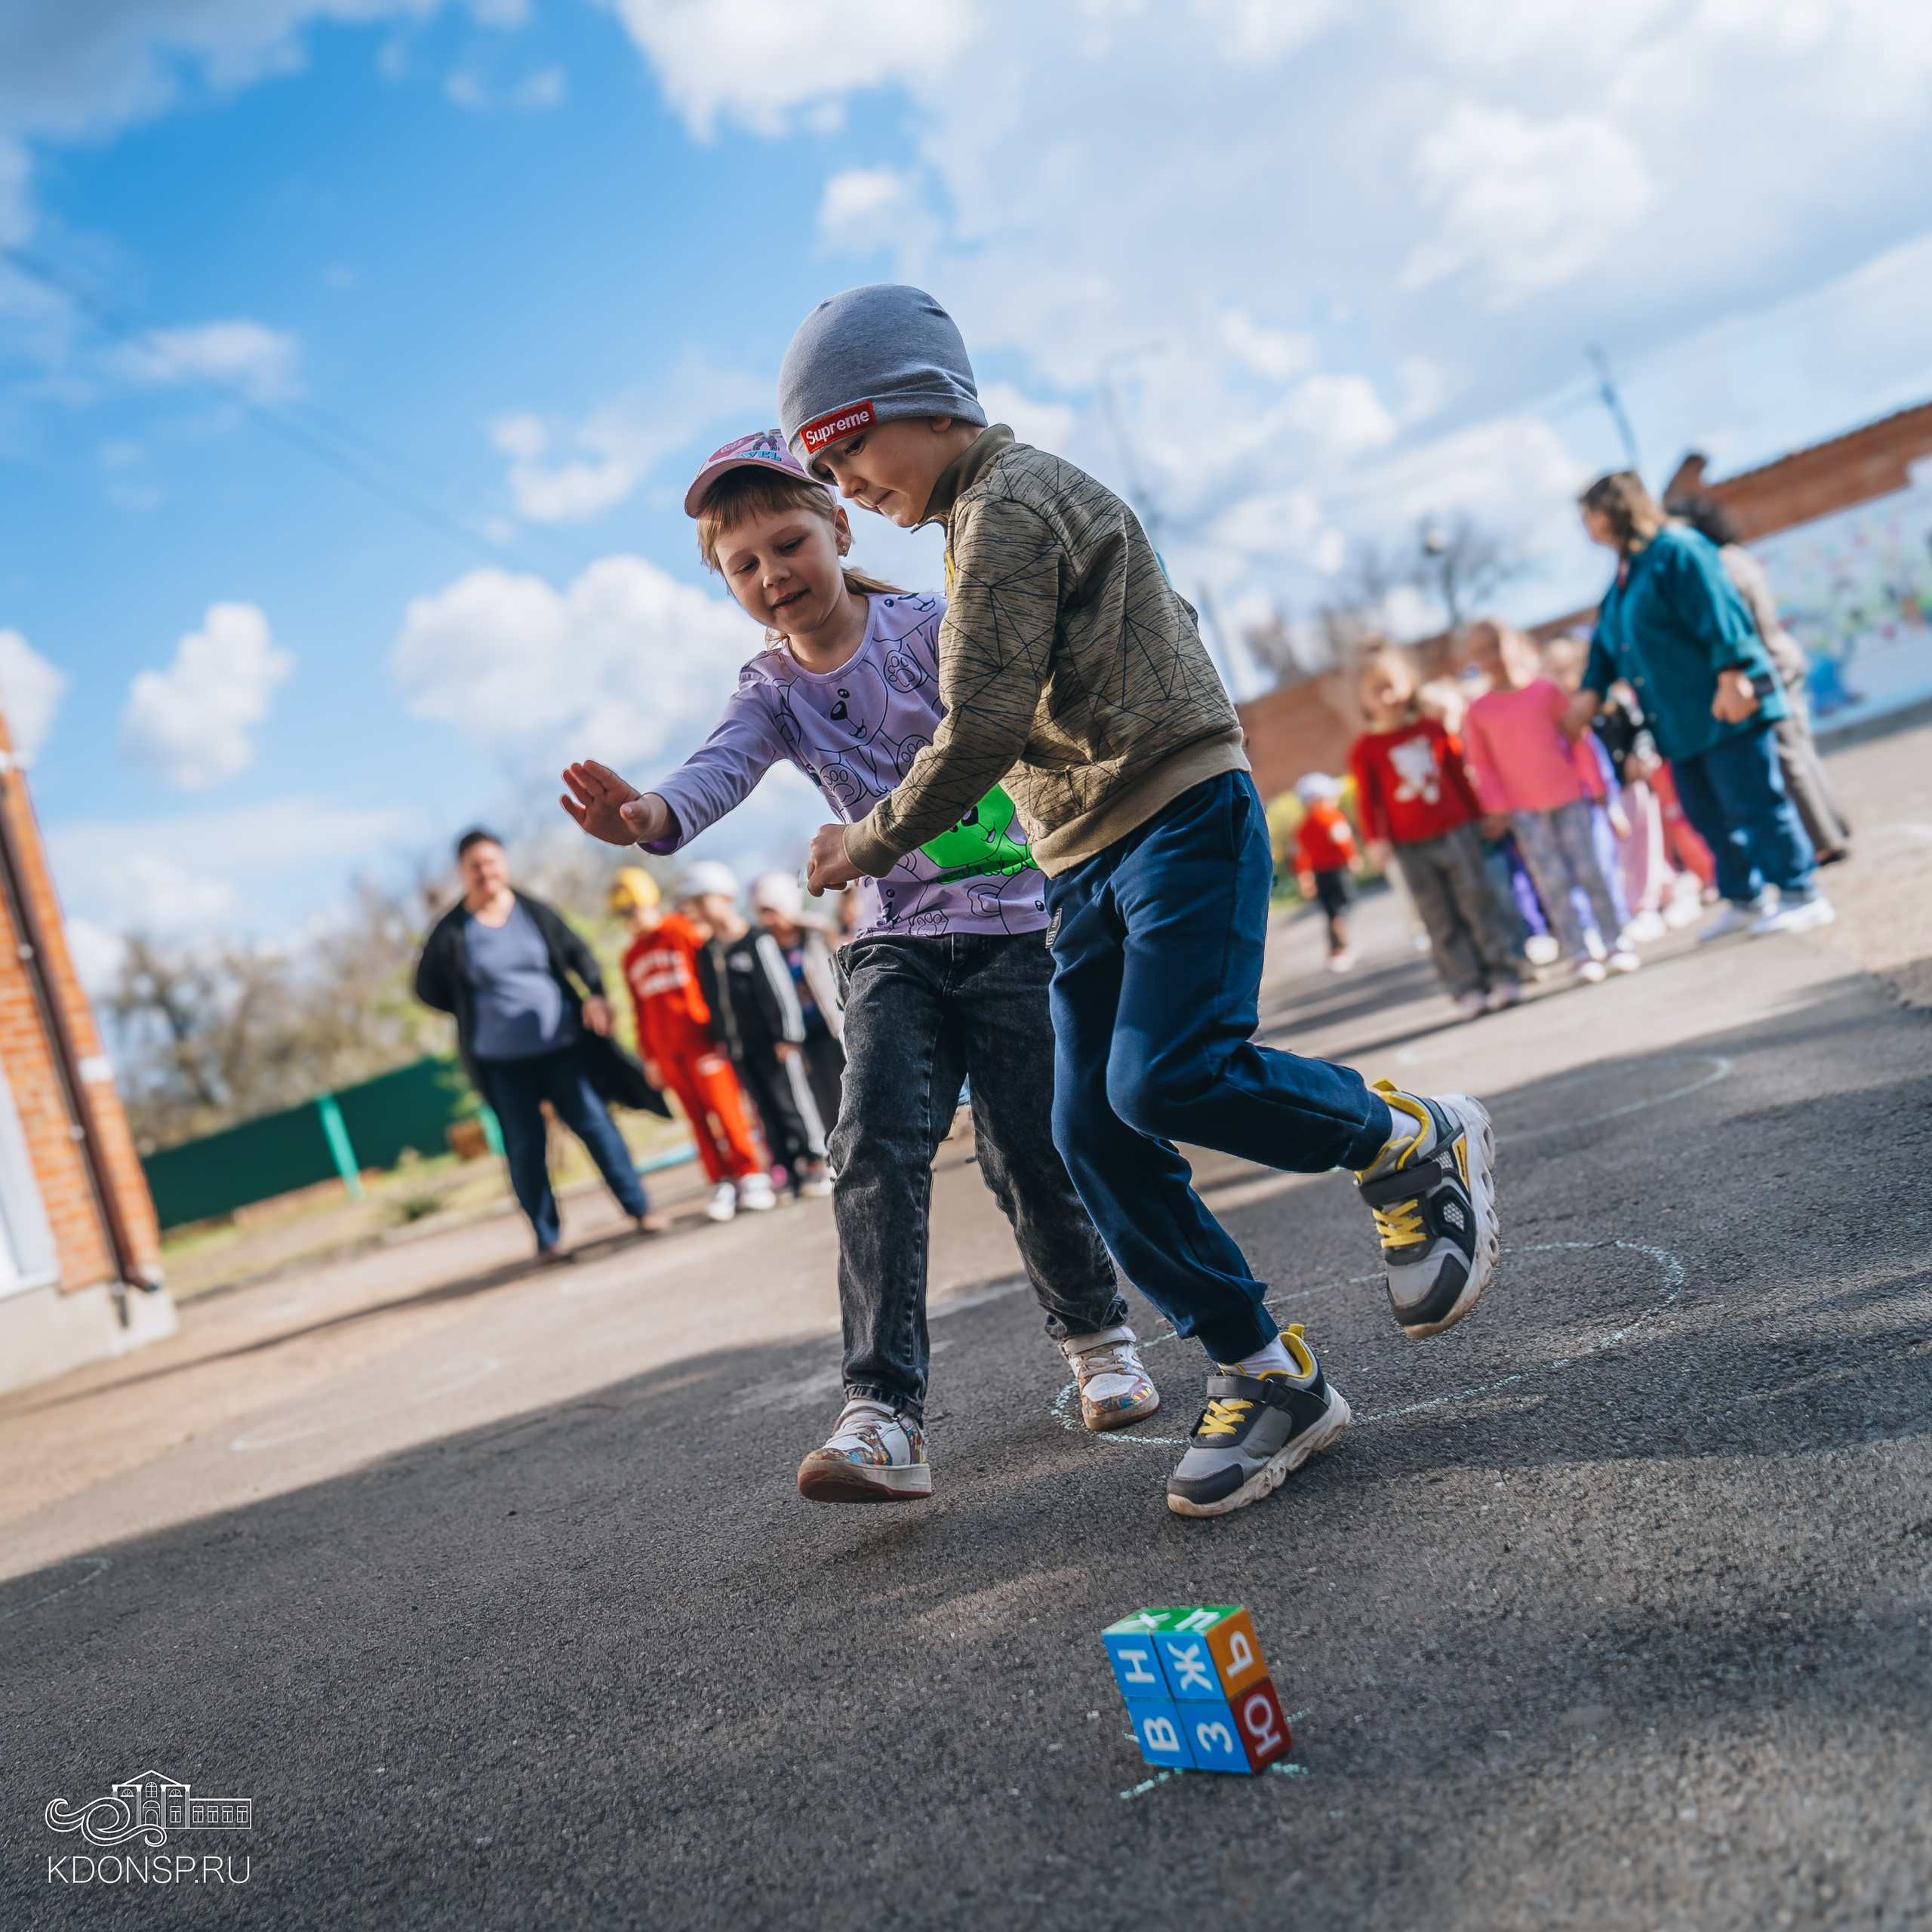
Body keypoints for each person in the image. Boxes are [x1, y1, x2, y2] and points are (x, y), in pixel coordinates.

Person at [774, 283, 1501, 1518]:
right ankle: (1264, 1374)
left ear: (930, 407)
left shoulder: (1007, 507)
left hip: (1175, 819)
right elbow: (1134, 635)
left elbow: (981, 726)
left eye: (847, 449)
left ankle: (1406, 1138)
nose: (842, 483)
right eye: (821, 468)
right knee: (1093, 1129)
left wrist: (870, 839)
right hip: (1086, 860)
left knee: (1167, 1075)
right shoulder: (976, 525)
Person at [561, 428, 1158, 1502]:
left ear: (839, 528)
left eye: (788, 543)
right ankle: (882, 1412)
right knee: (870, 1144)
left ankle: (1099, 1340)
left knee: (1028, 1150)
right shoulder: (771, 689)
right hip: (894, 941)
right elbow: (717, 769)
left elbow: (1006, 722)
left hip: (1020, 925)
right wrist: (647, 815)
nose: (772, 574)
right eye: (743, 564)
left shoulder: (929, 628)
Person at [1571, 472, 1832, 940]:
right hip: (1679, 722)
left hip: (1722, 705)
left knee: (1755, 804)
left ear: (1611, 510)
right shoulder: (1627, 575)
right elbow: (1609, 644)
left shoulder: (1677, 549)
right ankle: (1745, 897)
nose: (1585, 526)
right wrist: (1590, 691)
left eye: (1588, 514)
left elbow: (1720, 610)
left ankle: (1801, 893)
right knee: (1707, 816)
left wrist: (1733, 673)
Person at [414, 830, 667, 1260]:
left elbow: (580, 954)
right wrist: (468, 1006)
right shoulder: (452, 931)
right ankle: (548, 1239)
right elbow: (426, 988)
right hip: (500, 1060)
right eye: (475, 866)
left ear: (504, 864)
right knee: (525, 1144)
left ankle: (641, 1209)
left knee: (595, 1124)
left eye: (492, 862)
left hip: (562, 1045)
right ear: (462, 872)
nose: (485, 872)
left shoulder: (533, 911)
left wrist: (596, 995)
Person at [1672, 494, 1851, 864]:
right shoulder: (1735, 555)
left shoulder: (1718, 564)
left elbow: (1737, 624)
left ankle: (1822, 840)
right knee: (1800, 748)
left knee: (1787, 754)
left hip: (1767, 665)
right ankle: (1833, 829)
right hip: (1781, 656)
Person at [1349, 645, 1524, 1017]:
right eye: (1377, 691)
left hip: (1456, 831)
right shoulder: (1365, 749)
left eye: (1393, 685)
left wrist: (1480, 814)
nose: (1388, 697)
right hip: (1410, 845)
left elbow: (1458, 775)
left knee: (1477, 901)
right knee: (1438, 916)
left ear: (1409, 684)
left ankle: (1502, 974)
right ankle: (1466, 986)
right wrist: (1376, 840)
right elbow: (1369, 800)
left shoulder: (1431, 729)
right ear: (1363, 700)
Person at [1462, 619, 1639, 984]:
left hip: (1570, 797)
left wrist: (1598, 787)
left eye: (1496, 645)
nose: (1491, 656)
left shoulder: (1547, 691)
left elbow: (1579, 738)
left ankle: (1614, 939)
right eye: (1481, 651)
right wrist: (1496, 807)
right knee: (1552, 880)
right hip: (1525, 810)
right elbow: (1482, 764)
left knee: (1590, 869)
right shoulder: (1479, 711)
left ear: (1516, 644)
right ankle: (1579, 949)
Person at [608, 865, 775, 1225]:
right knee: (697, 1121)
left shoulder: (682, 932)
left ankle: (751, 1174)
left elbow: (710, 984)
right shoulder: (630, 957)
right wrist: (649, 1057)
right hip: (668, 1053)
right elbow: (639, 1011)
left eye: (632, 910)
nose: (630, 920)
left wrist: (719, 1033)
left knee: (727, 1112)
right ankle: (722, 1181)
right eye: (622, 915)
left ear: (649, 902)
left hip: (702, 1042)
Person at [686, 863, 834, 1200]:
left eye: (701, 900)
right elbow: (713, 999)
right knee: (765, 1111)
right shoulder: (707, 951)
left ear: (725, 898)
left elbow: (780, 989)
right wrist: (723, 1040)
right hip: (741, 1048)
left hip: (776, 1045)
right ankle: (788, 1169)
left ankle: (817, 1160)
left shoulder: (758, 940)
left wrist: (788, 1035)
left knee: (792, 1102)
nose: (696, 908)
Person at [747, 870, 846, 1133]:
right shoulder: (763, 948)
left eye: (772, 911)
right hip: (801, 1037)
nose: (767, 920)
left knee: (848, 1089)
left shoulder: (817, 935)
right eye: (762, 912)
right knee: (821, 1102)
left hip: (833, 1026)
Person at [1290, 773, 1361, 971]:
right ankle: (1342, 923)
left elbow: (1300, 854)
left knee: (1329, 911)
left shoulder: (1303, 827)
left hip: (1319, 874)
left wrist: (1304, 877)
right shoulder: (1333, 817)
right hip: (1337, 871)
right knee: (1347, 902)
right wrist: (1351, 858)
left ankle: (1337, 954)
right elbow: (1343, 841)